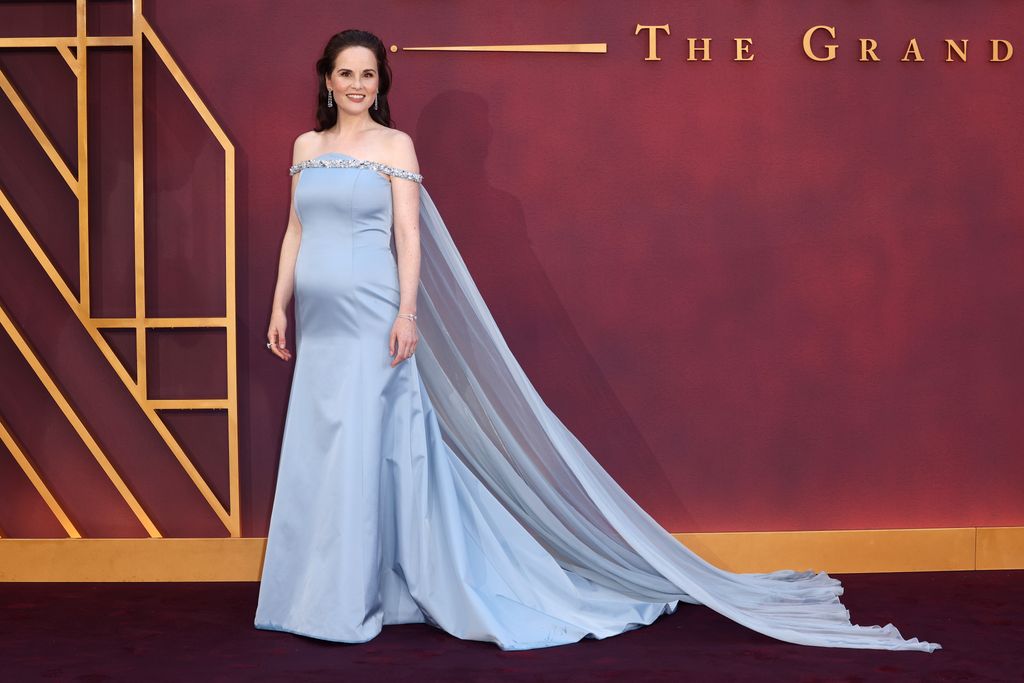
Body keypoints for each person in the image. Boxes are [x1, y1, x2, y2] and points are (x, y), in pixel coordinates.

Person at [253, 28, 940, 653]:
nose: (356, 86)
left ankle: (356, 596)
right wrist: (281, 304)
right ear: (328, 79)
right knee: (323, 445)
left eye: (368, 75)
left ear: (381, 84)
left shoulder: (394, 146)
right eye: (346, 74)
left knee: (373, 448)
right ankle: (312, 592)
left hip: (375, 312)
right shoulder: (304, 149)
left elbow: (409, 237)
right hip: (319, 318)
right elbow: (295, 231)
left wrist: (408, 313)